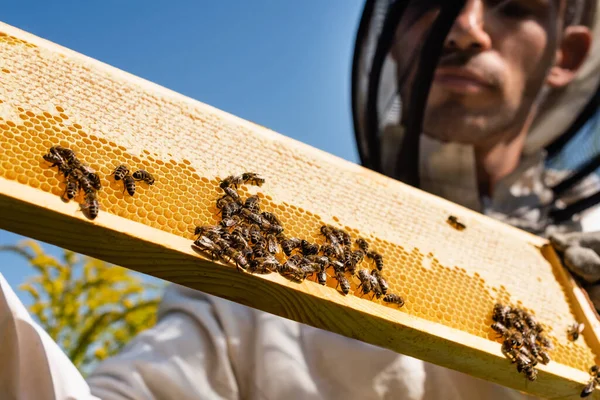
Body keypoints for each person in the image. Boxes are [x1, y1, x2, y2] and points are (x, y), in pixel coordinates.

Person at [1, 0, 599, 399]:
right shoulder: (266, 258)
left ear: (566, 56)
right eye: (429, 2)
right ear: (393, 38)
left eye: (515, 5)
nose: (464, 27)